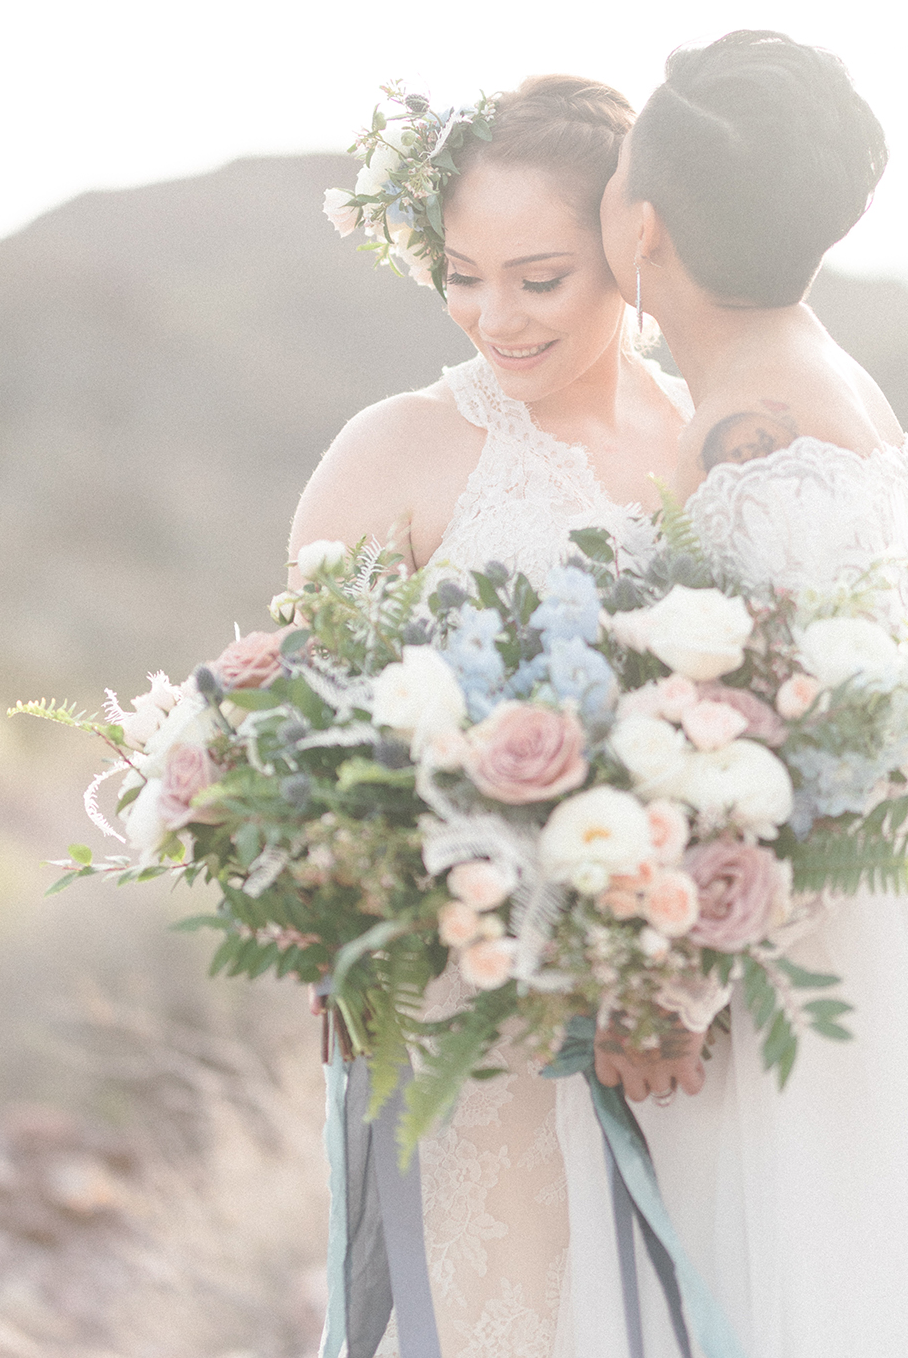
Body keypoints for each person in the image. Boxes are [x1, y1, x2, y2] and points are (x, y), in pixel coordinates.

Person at [567, 29, 908, 1356]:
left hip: (799, 918)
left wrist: (663, 983)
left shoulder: (760, 430)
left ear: (647, 230)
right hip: (880, 882)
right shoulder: (787, 371)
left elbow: (770, 737)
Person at [291, 74, 693, 1357]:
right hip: (473, 1023)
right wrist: (334, 907)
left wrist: (668, 967)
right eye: (463, 275)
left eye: (537, 277)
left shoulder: (701, 436)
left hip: (678, 1021)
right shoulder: (397, 446)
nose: (492, 318)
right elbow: (303, 737)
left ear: (634, 249)